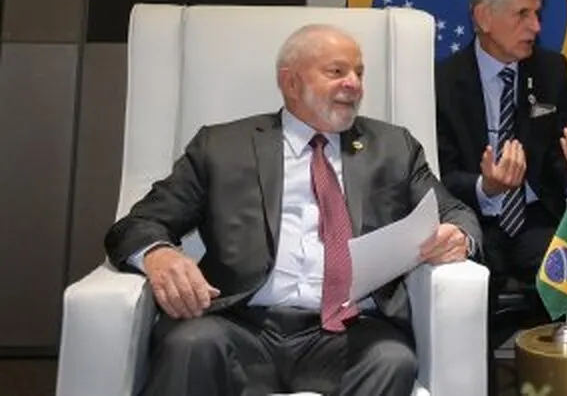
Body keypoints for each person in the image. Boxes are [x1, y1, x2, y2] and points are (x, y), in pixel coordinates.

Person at [104, 23, 482, 396]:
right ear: (291, 82)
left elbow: (455, 212)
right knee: (189, 345)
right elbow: (139, 223)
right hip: (239, 323)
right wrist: (158, 255)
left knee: (392, 360)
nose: (354, 83)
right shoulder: (221, 147)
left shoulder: (393, 147)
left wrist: (458, 236)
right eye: (337, 71)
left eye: (359, 73)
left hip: (351, 330)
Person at [435, 0, 567, 350]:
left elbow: (557, 160)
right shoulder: (441, 81)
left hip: (534, 218)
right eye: (523, 14)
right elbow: (437, 174)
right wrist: (486, 187)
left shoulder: (551, 71)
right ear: (484, 17)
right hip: (472, 222)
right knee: (464, 292)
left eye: (537, 14)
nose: (536, 27)